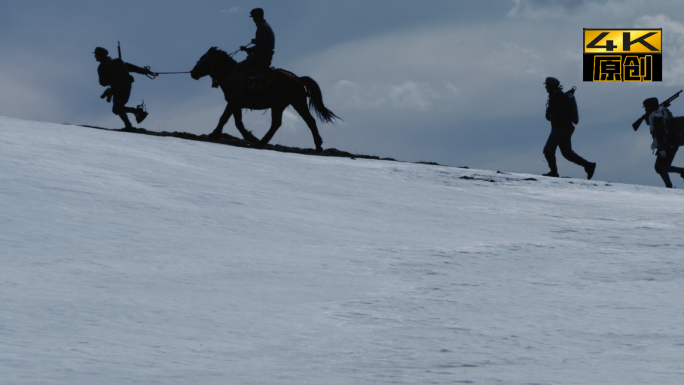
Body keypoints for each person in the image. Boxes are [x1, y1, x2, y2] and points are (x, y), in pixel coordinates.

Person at [542, 77, 596, 179]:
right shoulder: (558, 95)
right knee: (567, 153)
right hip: (565, 128)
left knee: (548, 150)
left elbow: (561, 112)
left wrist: (560, 121)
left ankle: (554, 172)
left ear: (552, 86)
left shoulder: (555, 96)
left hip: (560, 128)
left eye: (547, 85)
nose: (545, 87)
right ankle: (588, 165)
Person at [94, 47, 154, 130]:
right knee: (117, 108)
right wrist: (144, 71)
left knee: (117, 108)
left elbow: (103, 83)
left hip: (118, 88)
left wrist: (111, 80)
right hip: (127, 86)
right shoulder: (118, 62)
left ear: (101, 55)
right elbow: (131, 67)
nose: (95, 56)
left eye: (96, 55)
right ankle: (133, 118)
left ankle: (131, 121)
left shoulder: (102, 67)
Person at [233, 8, 275, 99]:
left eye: (254, 17)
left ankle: (242, 92)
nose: (253, 19)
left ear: (258, 16)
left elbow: (262, 43)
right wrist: (247, 49)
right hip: (264, 55)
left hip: (261, 56)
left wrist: (255, 41)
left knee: (240, 68)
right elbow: (262, 45)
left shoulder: (261, 27)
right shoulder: (265, 26)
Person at [642, 97, 684, 188]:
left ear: (652, 106)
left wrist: (661, 149)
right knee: (662, 167)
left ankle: (678, 176)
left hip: (666, 144)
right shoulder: (663, 111)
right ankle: (669, 186)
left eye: (647, 107)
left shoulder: (656, 116)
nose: (646, 109)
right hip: (672, 143)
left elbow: (660, 133)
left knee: (660, 167)